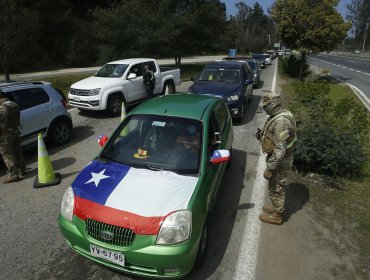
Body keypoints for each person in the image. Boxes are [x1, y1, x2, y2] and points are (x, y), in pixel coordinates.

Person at [256, 92, 297, 225]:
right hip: (279, 157)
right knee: (274, 185)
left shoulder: (281, 122)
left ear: (273, 104)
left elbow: (280, 150)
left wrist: (270, 167)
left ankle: (278, 215)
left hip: (281, 160)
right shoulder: (279, 114)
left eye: (266, 105)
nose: (265, 108)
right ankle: (275, 208)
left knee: (277, 186)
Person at [0, 90, 26, 184]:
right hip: (16, 131)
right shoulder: (14, 104)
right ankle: (22, 170)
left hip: (5, 135)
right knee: (18, 151)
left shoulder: (2, 107)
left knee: (8, 155)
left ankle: (13, 175)